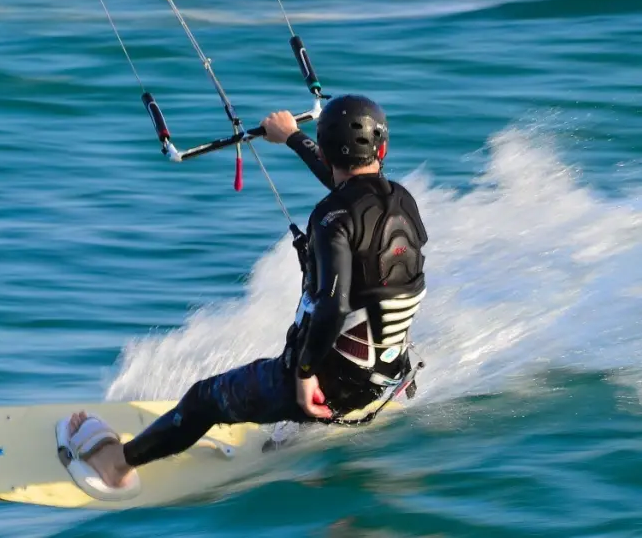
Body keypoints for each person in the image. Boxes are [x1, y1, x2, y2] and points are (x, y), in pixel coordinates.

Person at [57, 94, 429, 497]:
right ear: (383, 149)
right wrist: (292, 137)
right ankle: (290, 441)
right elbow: (352, 189)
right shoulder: (403, 201)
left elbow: (332, 307)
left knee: (203, 400)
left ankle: (114, 466)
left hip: (332, 384)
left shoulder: (331, 218)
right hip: (385, 376)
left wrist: (304, 376)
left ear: (325, 150)